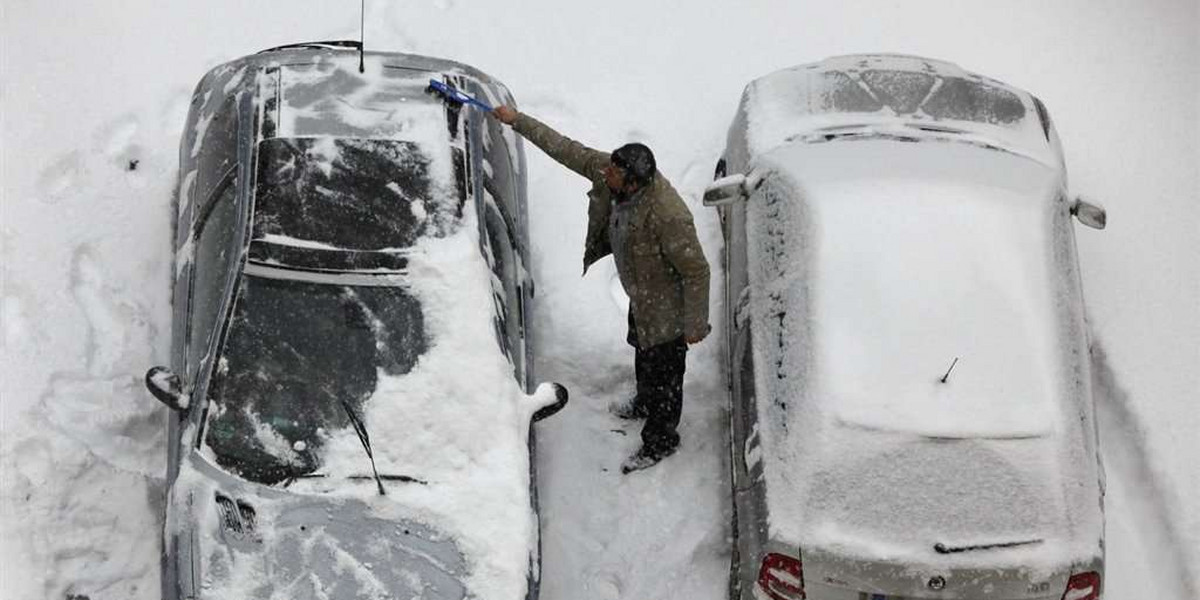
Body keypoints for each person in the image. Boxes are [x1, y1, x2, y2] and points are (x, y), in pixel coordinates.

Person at [492, 105, 711, 474]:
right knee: (643, 354)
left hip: (666, 312)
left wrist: (694, 324)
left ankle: (660, 440)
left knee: (666, 378)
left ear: (633, 182)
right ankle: (644, 401)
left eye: (613, 172)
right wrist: (518, 121)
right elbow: (566, 149)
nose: (604, 172)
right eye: (608, 167)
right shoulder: (613, 174)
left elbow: (697, 270)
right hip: (642, 297)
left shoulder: (668, 215)